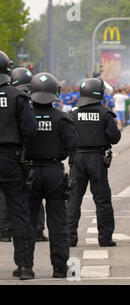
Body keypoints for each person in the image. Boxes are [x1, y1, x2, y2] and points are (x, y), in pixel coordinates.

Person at [25, 72, 79, 278]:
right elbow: (72, 145)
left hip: (29, 172)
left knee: (28, 222)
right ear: (55, 92)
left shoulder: (25, 117)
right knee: (58, 222)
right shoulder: (62, 118)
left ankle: (26, 267)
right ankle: (59, 268)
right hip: (54, 172)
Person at [67, 78, 121, 247]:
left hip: (77, 158)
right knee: (102, 200)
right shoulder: (104, 113)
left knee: (73, 200)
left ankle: (69, 238)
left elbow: (66, 138)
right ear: (99, 93)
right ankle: (105, 238)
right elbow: (115, 137)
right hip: (97, 159)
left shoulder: (73, 114)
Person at [0, 50, 37, 280]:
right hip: (10, 158)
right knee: (20, 213)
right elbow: (30, 129)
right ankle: (24, 266)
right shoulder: (17, 97)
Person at [10, 67, 49, 242]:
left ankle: (6, 231)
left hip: (14, 153)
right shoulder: (25, 101)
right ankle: (35, 231)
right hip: (25, 154)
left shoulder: (12, 98)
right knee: (31, 196)